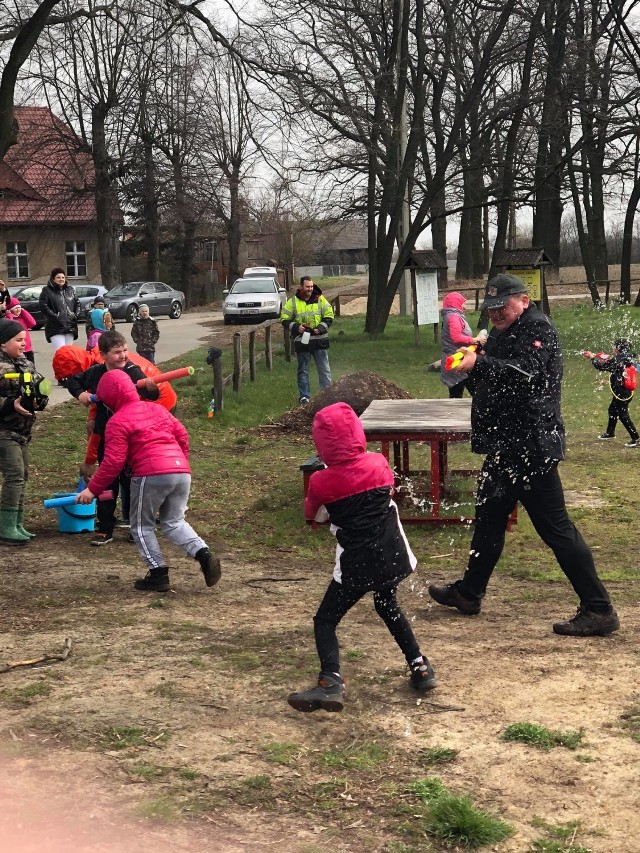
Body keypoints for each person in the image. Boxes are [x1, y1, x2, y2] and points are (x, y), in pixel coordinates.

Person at [428, 273, 620, 637]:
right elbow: (494, 375)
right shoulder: (503, 330)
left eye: (502, 306)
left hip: (532, 447)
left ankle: (599, 609)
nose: (496, 313)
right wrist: (464, 366)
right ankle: (469, 593)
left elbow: (526, 376)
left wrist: (478, 364)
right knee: (488, 519)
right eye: (491, 308)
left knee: (557, 530)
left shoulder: (539, 329)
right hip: (506, 445)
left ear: (524, 300)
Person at [287, 402, 436, 714]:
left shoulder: (321, 481)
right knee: (387, 605)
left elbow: (311, 514)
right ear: (357, 433)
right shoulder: (379, 463)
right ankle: (419, 666)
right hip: (391, 554)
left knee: (325, 619)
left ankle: (331, 681)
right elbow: (387, 492)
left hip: (357, 562)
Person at [75, 370, 221, 592]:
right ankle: (204, 554)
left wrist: (92, 490)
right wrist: (179, 463)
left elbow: (113, 462)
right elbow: (182, 435)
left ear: (110, 398)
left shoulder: (117, 422)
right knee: (174, 522)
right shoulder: (157, 409)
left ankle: (158, 574)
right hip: (181, 471)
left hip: (150, 474)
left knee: (141, 526)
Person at [66, 330, 160, 545]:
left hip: (131, 437)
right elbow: (73, 382)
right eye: (117, 352)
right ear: (104, 355)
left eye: (125, 350)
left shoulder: (134, 372)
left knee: (132, 481)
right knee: (107, 482)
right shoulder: (96, 372)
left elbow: (152, 395)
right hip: (107, 435)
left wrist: (153, 390)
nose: (123, 356)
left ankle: (136, 526)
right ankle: (105, 527)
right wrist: (82, 394)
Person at [0, 320, 48, 546]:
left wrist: (39, 400)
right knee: (15, 475)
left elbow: (39, 386)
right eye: (18, 340)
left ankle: (17, 522)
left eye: (24, 339)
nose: (23, 344)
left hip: (22, 431)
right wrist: (10, 404)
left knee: (23, 476)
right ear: (2, 344)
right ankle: (6, 526)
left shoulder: (25, 363)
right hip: (3, 431)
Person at [280, 276, 334, 404]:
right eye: (307, 287)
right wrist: (296, 327)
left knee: (324, 369)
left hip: (319, 340)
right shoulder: (293, 301)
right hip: (302, 341)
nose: (310, 289)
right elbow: (283, 318)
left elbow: (329, 315)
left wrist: (321, 328)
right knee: (303, 370)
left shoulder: (320, 299)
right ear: (301, 287)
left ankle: (327, 396)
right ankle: (304, 397)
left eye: (311, 286)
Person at [584, 339, 639, 448]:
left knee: (623, 415)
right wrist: (597, 355)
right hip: (624, 391)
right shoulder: (628, 356)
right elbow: (610, 360)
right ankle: (610, 433)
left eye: (614, 346)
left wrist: (591, 358)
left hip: (621, 393)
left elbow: (602, 367)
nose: (612, 347)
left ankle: (636, 439)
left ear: (619, 348)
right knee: (612, 410)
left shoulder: (617, 360)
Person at [439, 292, 486, 398]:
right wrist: (475, 339)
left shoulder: (451, 315)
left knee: (456, 393)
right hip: (458, 359)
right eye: (462, 303)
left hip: (456, 358)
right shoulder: (454, 316)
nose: (464, 306)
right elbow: (456, 338)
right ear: (455, 304)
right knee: (476, 392)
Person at [38, 268, 80, 354]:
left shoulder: (70, 290)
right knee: (60, 353)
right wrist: (55, 316)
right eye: (58, 277)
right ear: (53, 279)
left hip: (70, 326)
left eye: (62, 277)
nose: (61, 279)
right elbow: (43, 306)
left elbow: (77, 303)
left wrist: (75, 315)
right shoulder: (47, 290)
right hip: (55, 327)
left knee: (69, 354)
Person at [6, 297, 37, 364]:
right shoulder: (9, 319)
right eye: (15, 308)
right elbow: (10, 327)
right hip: (17, 350)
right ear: (10, 310)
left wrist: (24, 312)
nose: (18, 310)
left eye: (19, 307)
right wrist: (9, 315)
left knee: (32, 367)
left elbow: (33, 323)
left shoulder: (22, 318)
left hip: (28, 348)